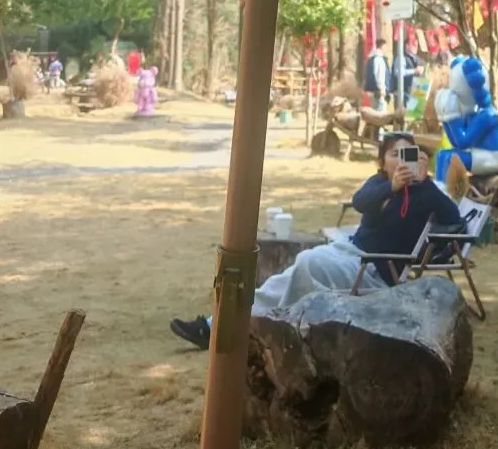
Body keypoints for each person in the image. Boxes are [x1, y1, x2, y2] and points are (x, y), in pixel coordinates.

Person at [168, 132, 463, 349]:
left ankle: (235, 327)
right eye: (394, 155)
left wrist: (425, 182)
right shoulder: (379, 183)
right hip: (350, 253)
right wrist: (392, 187)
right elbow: (360, 202)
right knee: (285, 279)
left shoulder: (426, 192)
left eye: (408, 154)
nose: (401, 160)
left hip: (374, 270)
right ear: (382, 161)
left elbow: (454, 218)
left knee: (307, 263)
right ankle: (218, 324)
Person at [364, 37, 390, 106]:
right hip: (379, 93)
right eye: (386, 47)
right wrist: (382, 90)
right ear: (382, 46)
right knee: (380, 110)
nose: (386, 49)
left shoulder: (371, 59)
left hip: (373, 92)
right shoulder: (379, 59)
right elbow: (380, 76)